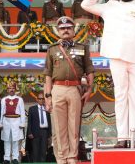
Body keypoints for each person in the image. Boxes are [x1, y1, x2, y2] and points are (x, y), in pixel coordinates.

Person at [81, 0, 135, 148]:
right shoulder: (110, 6)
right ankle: (122, 138)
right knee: (121, 96)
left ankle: (134, 138)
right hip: (116, 56)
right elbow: (86, 5)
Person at [44, 16, 94, 164]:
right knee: (59, 126)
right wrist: (47, 95)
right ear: (58, 31)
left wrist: (89, 89)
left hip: (75, 88)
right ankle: (62, 157)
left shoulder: (82, 48)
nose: (65, 30)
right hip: (57, 88)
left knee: (74, 124)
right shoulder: (52, 49)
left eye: (68, 28)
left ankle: (72, 157)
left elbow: (89, 70)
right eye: (62, 28)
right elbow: (47, 74)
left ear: (73, 30)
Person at [0, 82, 26, 164]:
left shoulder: (20, 99)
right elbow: (1, 112)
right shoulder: (4, 99)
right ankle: (6, 158)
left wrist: (22, 123)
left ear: (15, 89)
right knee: (6, 140)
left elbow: (22, 112)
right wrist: (1, 123)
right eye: (10, 88)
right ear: (7, 90)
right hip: (6, 121)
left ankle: (15, 158)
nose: (11, 90)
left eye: (13, 88)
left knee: (15, 140)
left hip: (16, 121)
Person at [27, 92, 52, 162]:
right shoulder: (32, 109)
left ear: (44, 100)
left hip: (45, 132)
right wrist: (29, 132)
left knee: (43, 151)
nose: (41, 100)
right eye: (39, 99)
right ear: (37, 100)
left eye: (42, 99)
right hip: (35, 132)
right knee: (35, 151)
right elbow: (29, 122)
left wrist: (50, 134)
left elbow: (49, 122)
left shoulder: (47, 109)